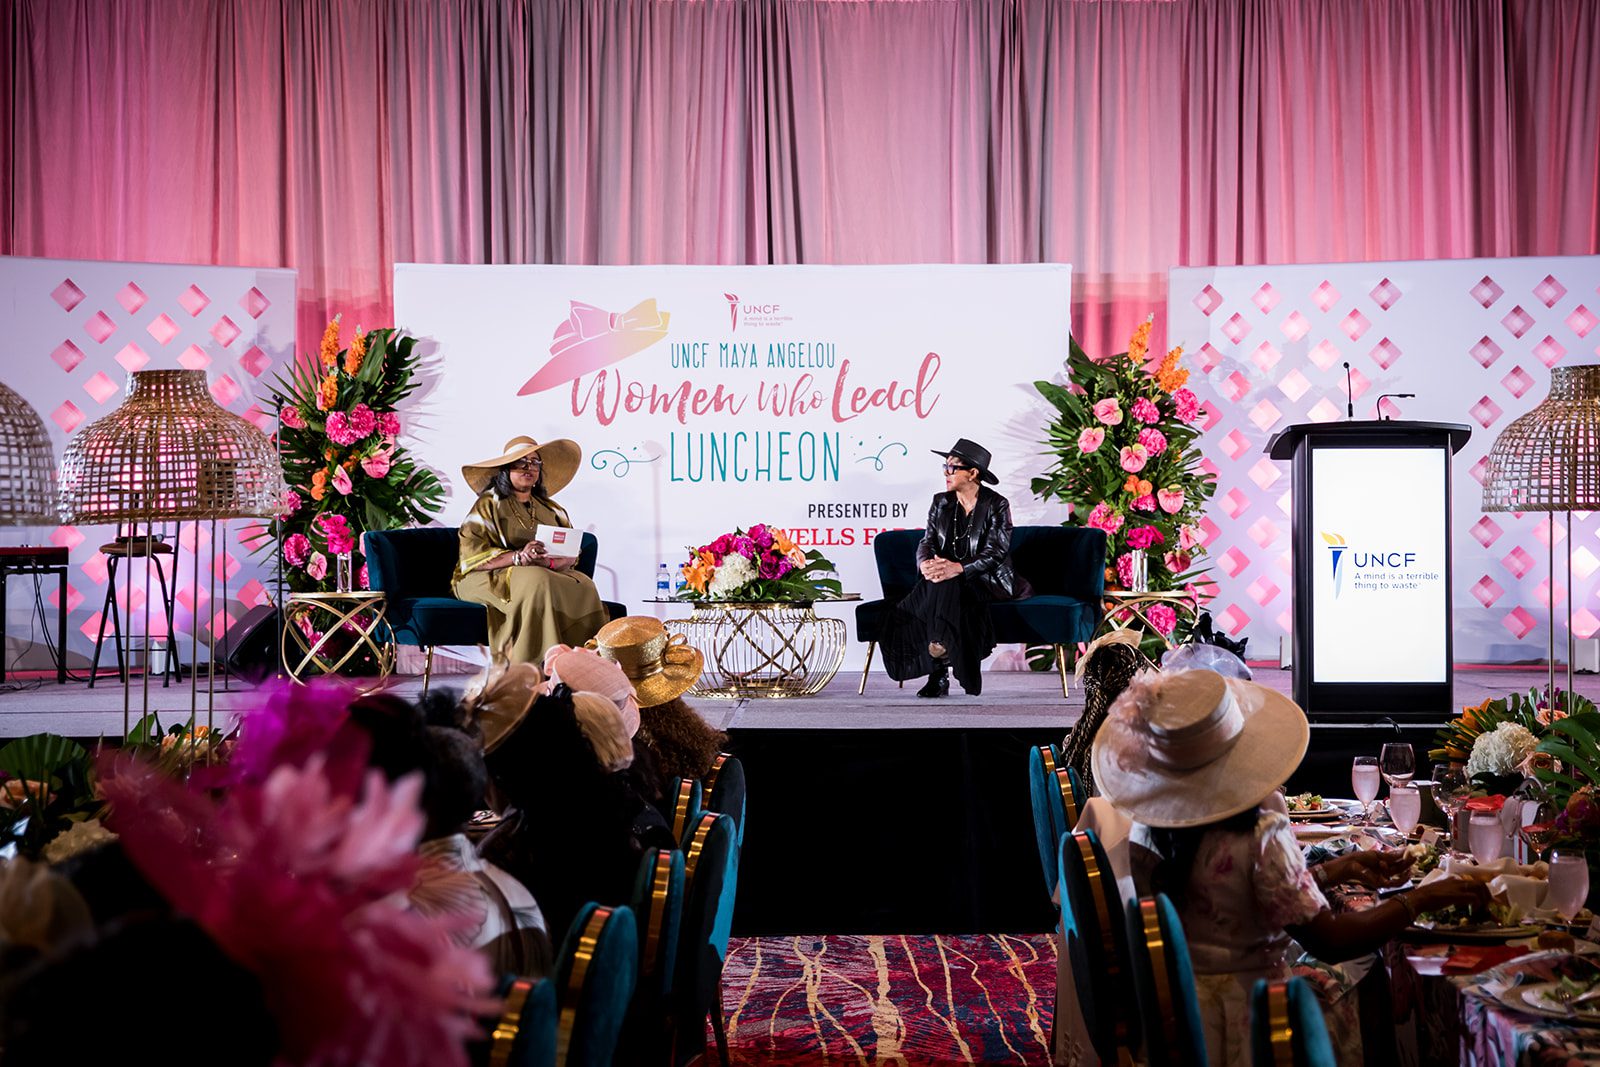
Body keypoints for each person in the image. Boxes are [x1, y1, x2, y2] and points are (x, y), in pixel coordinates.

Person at [1092, 669, 1488, 1067]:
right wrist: (1420, 900)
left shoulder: (1147, 828)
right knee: (1369, 974)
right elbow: (1329, 940)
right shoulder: (1259, 833)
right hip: (1257, 1024)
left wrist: (1340, 868)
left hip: (1181, 1020)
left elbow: (1231, 898)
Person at [880, 438, 1026, 697]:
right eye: (944, 467)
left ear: (973, 473)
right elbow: (927, 542)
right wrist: (925, 563)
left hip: (985, 579)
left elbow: (995, 552)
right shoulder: (941, 502)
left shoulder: (996, 504)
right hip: (946, 576)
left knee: (945, 584)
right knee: (941, 582)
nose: (946, 473)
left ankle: (938, 670)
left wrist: (958, 567)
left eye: (952, 468)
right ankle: (940, 645)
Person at [452, 436, 608, 665]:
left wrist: (551, 562)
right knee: (537, 579)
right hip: (488, 574)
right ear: (506, 469)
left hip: (544, 570)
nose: (529, 468)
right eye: (521, 462)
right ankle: (537, 665)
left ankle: (584, 663)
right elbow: (472, 556)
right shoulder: (489, 503)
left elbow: (570, 553)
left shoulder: (552, 509)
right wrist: (519, 557)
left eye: (535, 462)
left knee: (584, 583)